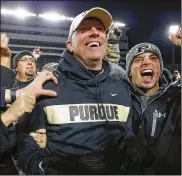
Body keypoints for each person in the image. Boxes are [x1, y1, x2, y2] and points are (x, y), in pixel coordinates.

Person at [13, 7, 134, 175]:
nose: (94, 33)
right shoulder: (47, 85)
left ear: (106, 41)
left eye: (100, 29)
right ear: (69, 45)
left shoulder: (121, 85)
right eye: (84, 29)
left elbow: (126, 128)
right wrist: (40, 168)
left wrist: (132, 143)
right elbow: (23, 138)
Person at [123, 42, 181, 174]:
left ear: (159, 69)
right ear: (129, 72)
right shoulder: (118, 99)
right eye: (138, 60)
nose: (146, 62)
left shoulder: (177, 99)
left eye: (153, 58)